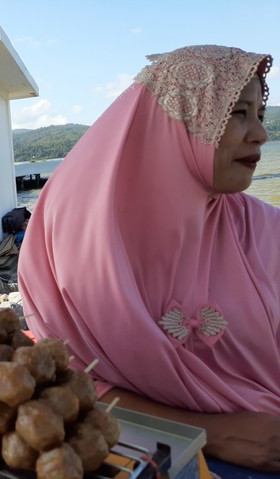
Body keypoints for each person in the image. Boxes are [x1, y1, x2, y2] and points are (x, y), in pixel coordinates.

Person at [18, 45, 280, 474]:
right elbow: (66, 380)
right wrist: (210, 431)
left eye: (260, 115)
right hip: (143, 455)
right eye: (236, 112)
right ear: (171, 124)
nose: (260, 135)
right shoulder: (81, 238)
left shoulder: (262, 230)